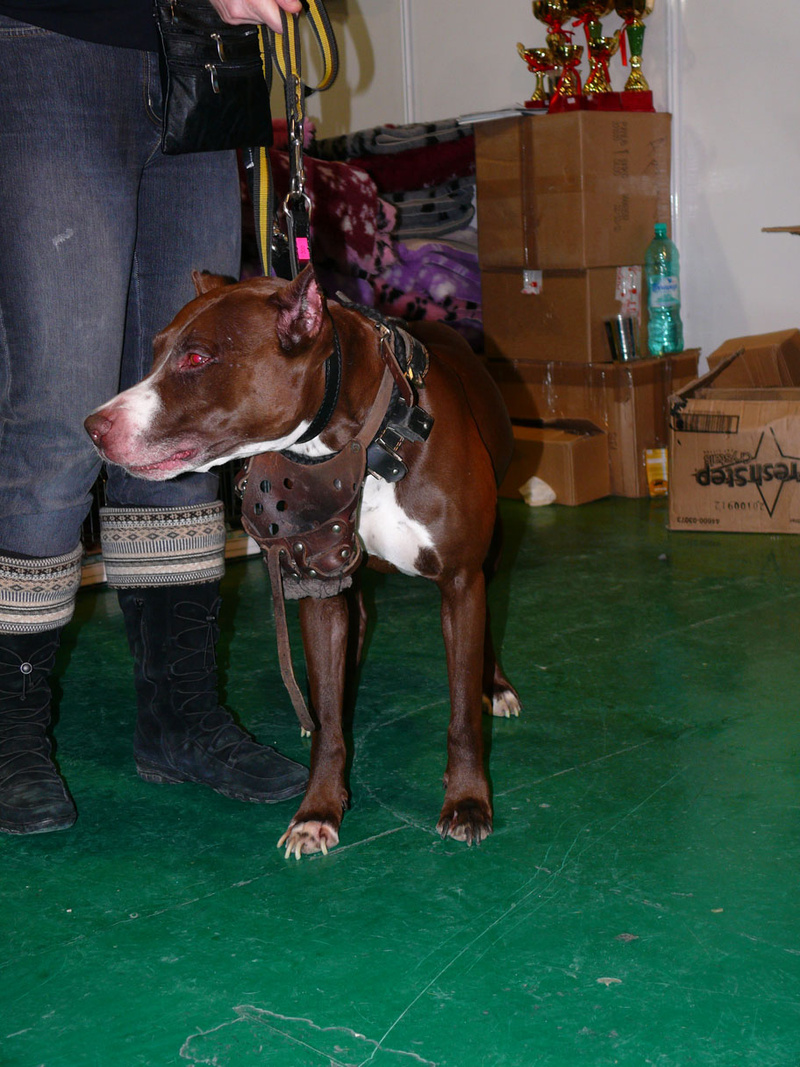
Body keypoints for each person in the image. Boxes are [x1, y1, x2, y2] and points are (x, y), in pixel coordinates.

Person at [0, 0, 307, 835]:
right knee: (57, 414)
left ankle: (180, 718)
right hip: (49, 41)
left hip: (195, 56)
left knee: (188, 417)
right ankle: (10, 732)